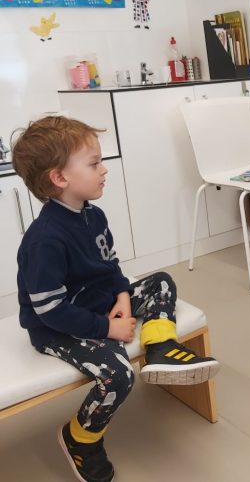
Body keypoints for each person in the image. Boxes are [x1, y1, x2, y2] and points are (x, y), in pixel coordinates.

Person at [13, 116, 220, 482]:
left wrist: (122, 293)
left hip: (97, 302)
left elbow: (109, 265)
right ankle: (81, 438)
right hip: (57, 326)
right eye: (94, 164)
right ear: (59, 178)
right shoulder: (44, 239)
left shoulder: (93, 216)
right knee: (119, 375)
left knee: (161, 282)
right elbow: (50, 310)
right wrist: (107, 327)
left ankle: (161, 349)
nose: (104, 170)